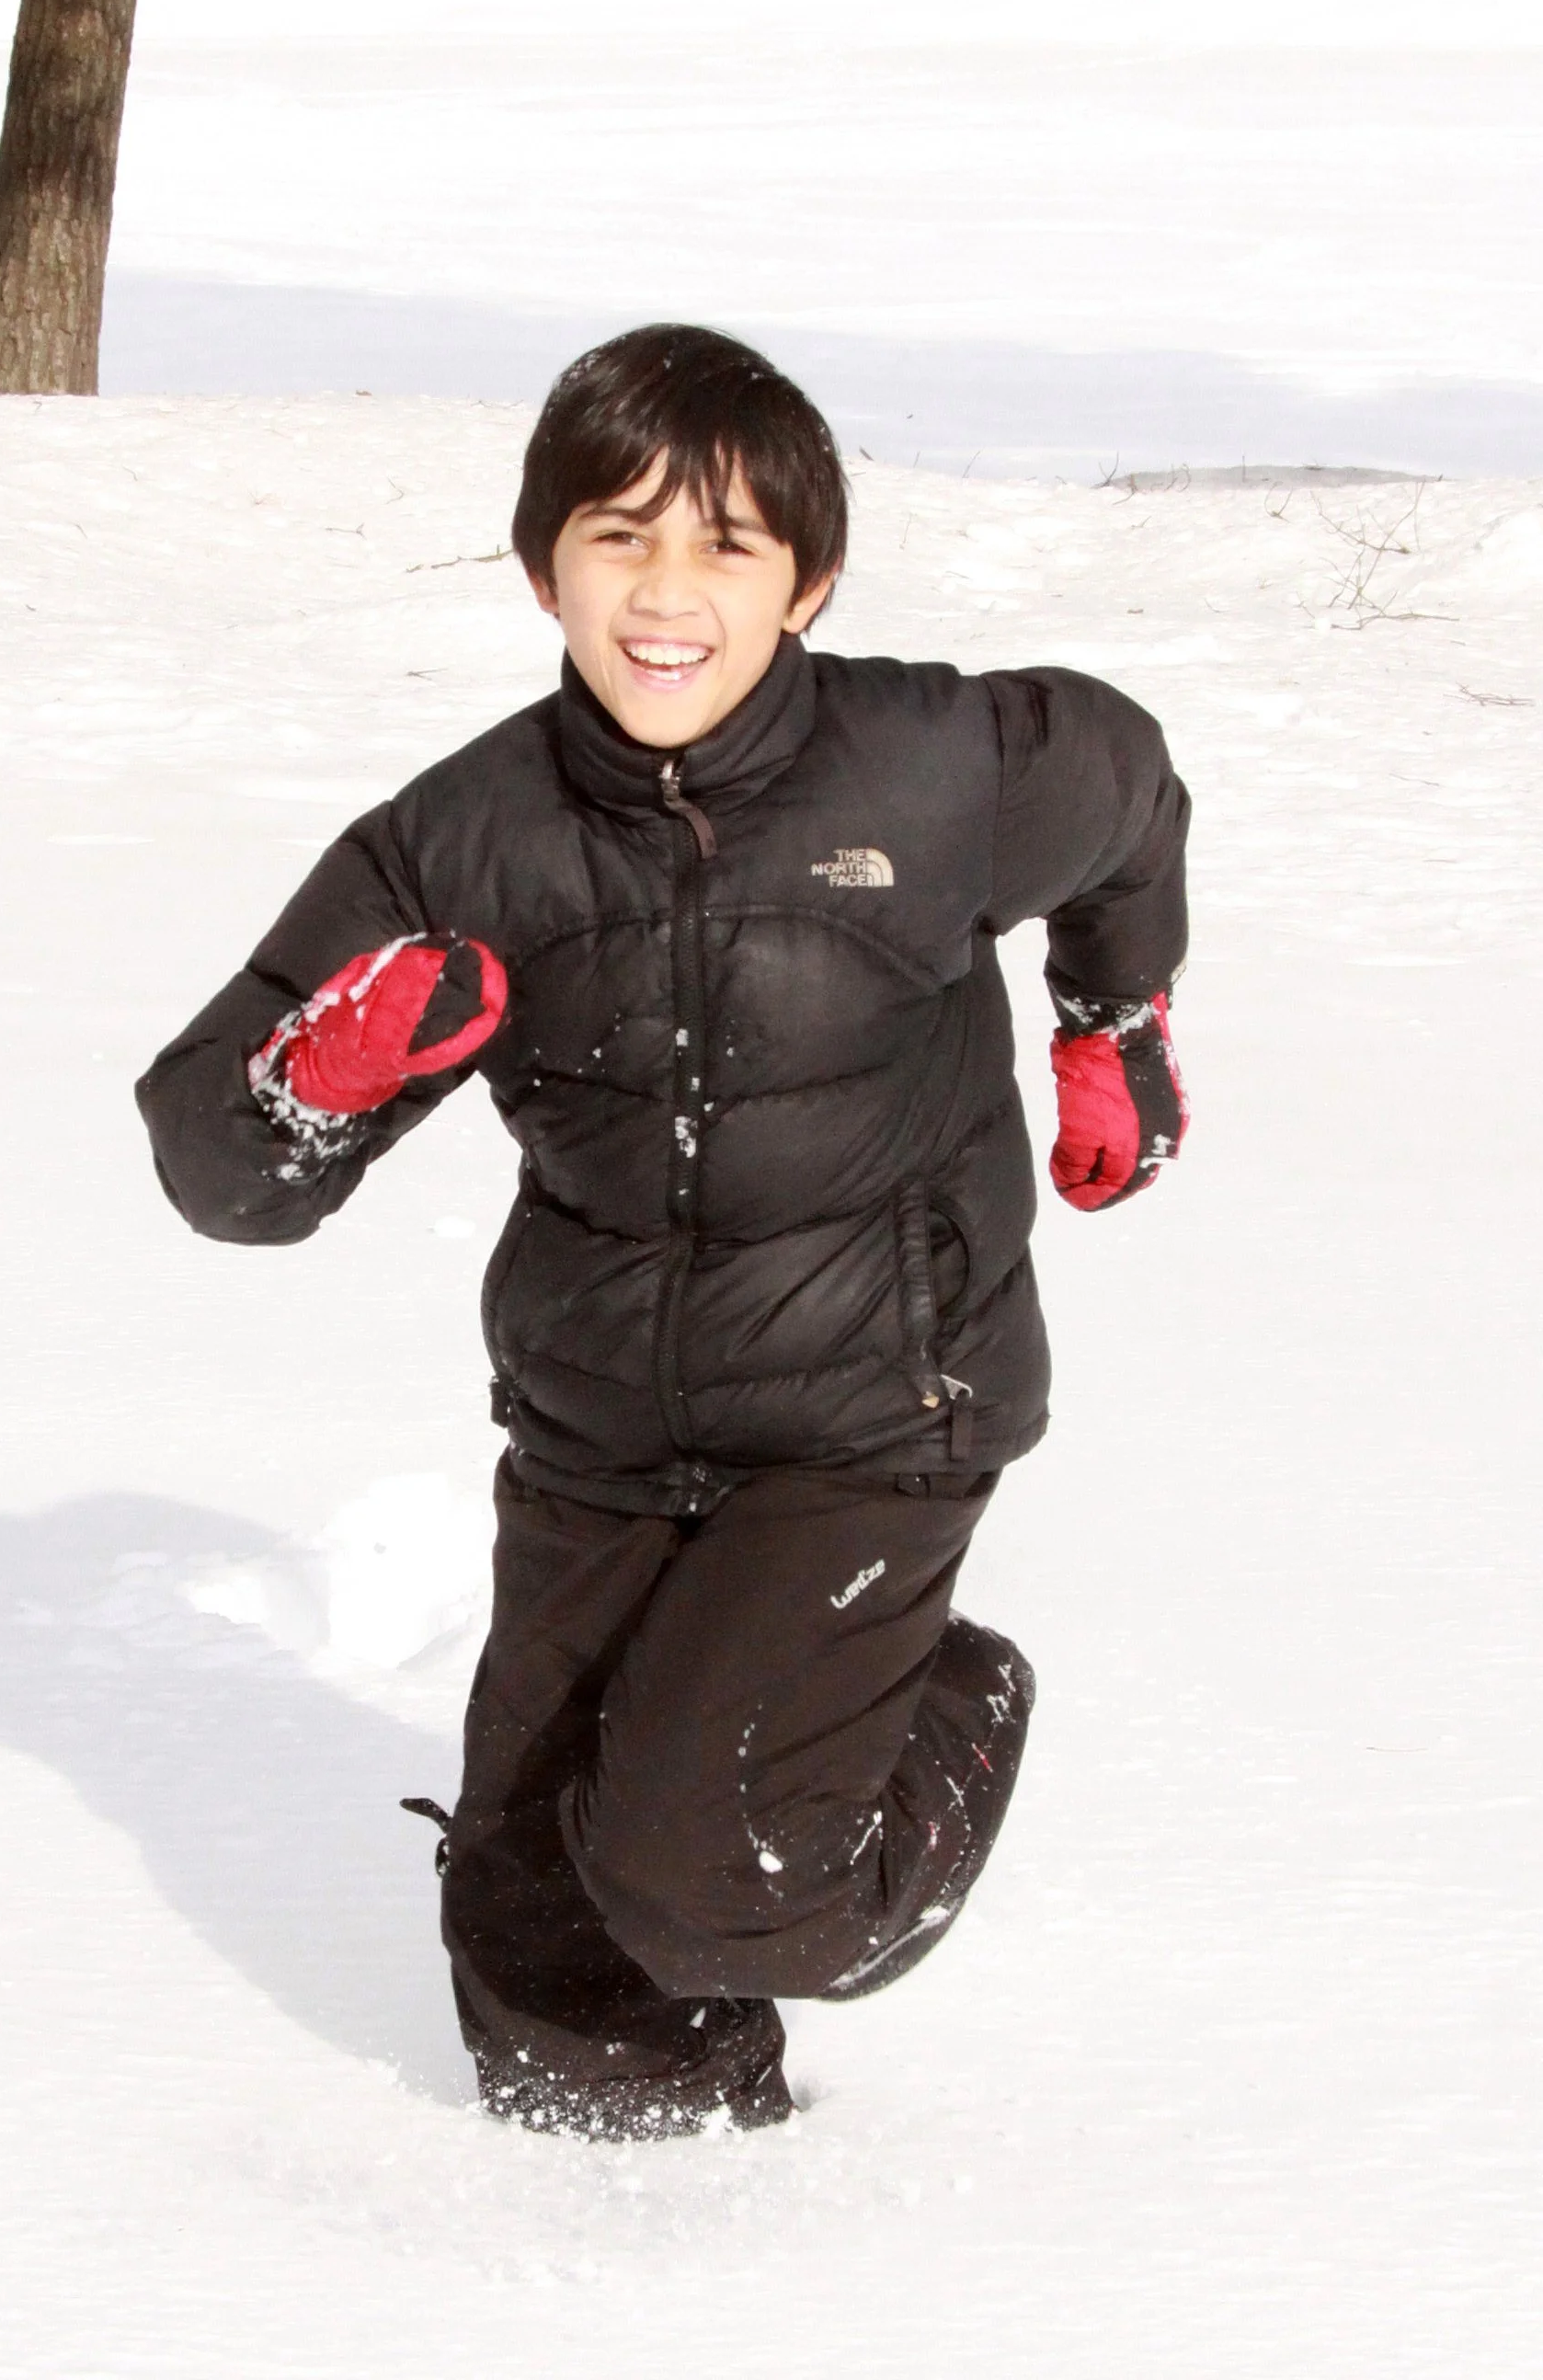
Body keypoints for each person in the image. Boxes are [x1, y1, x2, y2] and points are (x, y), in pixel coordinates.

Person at [137, 325, 1189, 2138]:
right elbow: (219, 1164)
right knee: (541, 1969)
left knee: (704, 1876)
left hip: (878, 1411)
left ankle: (929, 1707)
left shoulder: (944, 767)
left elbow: (1131, 792)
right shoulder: (462, 838)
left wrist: (1110, 1021)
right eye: (619, 538)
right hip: (601, 1427)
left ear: (811, 581)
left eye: (727, 548)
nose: (666, 597)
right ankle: (684, 2229)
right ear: (541, 563)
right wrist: (314, 1080)